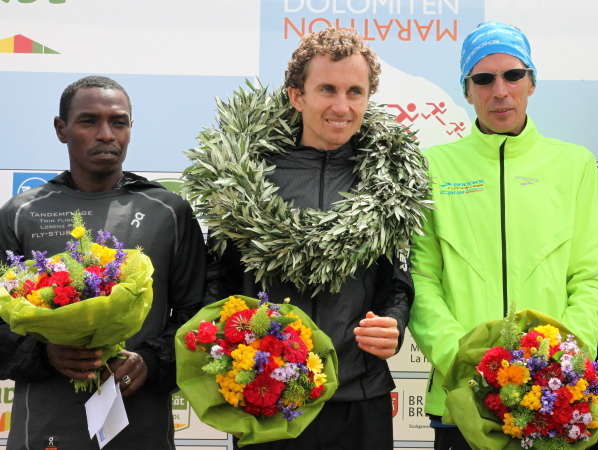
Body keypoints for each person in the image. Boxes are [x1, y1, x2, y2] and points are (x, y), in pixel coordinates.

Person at [201, 28, 424, 449]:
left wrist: (393, 322)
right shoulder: (245, 176)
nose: (342, 106)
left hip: (360, 398)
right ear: (296, 96)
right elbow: (219, 280)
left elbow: (397, 282)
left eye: (355, 92)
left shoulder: (391, 179)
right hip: (268, 399)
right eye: (327, 89)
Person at [408, 21, 598, 449]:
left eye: (513, 75)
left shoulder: (576, 165)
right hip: (463, 395)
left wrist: (560, 363)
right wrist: (465, 361)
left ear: (531, 83)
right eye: (483, 79)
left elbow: (590, 277)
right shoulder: (430, 167)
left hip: (555, 395)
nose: (499, 91)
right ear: (467, 90)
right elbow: (421, 280)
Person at [0, 76, 206, 449]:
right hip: (43, 429)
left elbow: (198, 315)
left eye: (118, 122)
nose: (106, 134)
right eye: (89, 121)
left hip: (141, 429)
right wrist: (45, 352)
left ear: (130, 128)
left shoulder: (169, 212)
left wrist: (151, 361)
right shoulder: (20, 213)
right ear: (61, 129)